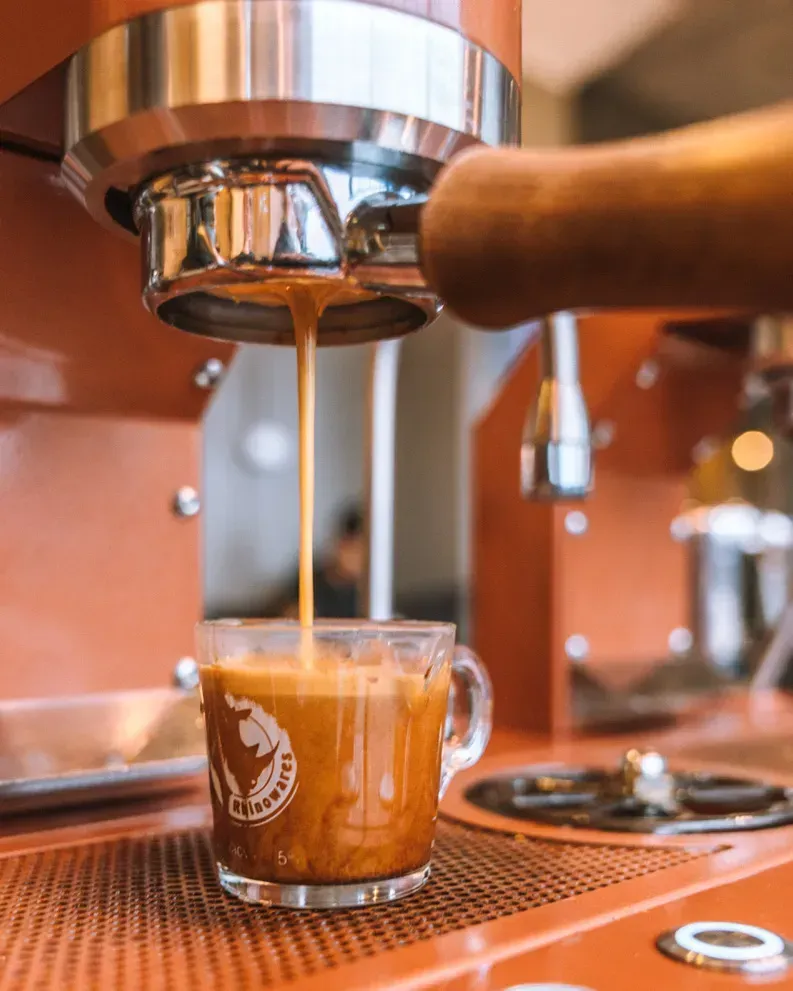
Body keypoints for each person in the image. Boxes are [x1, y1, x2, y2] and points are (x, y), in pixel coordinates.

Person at [266, 506, 364, 619]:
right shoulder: (309, 578)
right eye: (356, 549)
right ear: (341, 543)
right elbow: (283, 612)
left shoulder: (368, 594)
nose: (360, 559)